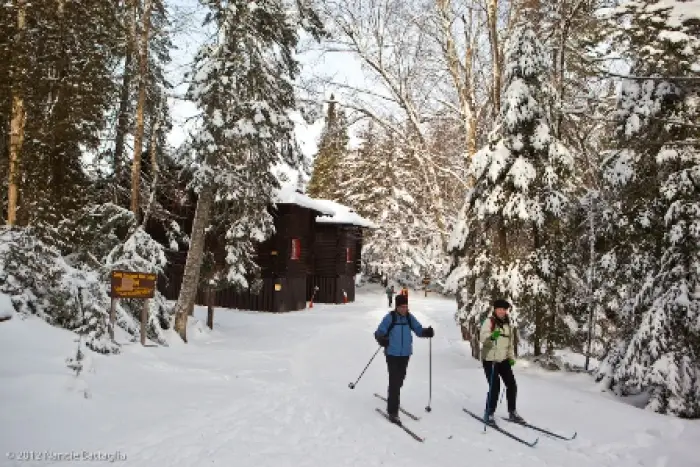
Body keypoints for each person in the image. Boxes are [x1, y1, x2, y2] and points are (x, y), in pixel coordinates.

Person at [374, 294, 434, 423]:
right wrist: (381, 339)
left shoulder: (409, 318)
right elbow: (379, 331)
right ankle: (393, 411)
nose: (404, 309)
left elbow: (418, 329)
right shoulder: (390, 317)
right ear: (397, 307)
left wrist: (426, 332)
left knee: (400, 380)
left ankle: (393, 396)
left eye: (406, 307)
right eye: (401, 307)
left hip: (405, 354)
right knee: (395, 380)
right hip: (392, 353)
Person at [480, 299, 525, 425]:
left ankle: (512, 412)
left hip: (503, 359)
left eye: (504, 309)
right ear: (495, 309)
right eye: (499, 309)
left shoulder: (508, 325)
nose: (502, 311)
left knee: (512, 384)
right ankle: (489, 413)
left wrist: (510, 358)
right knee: (495, 386)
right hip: (490, 359)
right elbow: (482, 338)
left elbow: (510, 344)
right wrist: (491, 337)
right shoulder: (489, 322)